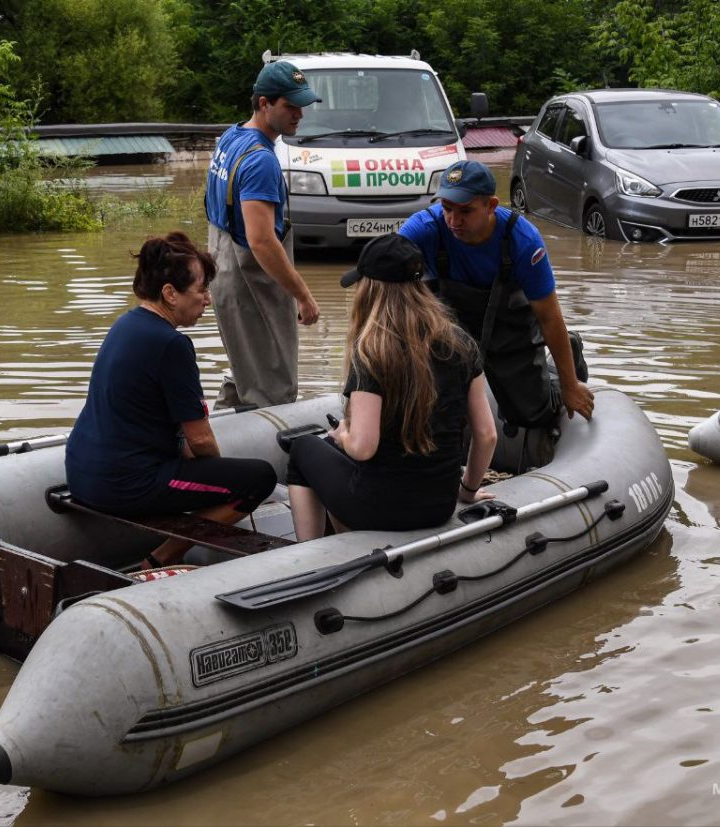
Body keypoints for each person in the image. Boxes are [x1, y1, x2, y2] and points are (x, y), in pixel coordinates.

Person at [64, 232, 278, 569]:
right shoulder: (172, 345)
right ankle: (158, 559)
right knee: (258, 478)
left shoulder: (127, 324)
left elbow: (160, 419)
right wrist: (219, 477)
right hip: (123, 484)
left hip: (81, 472)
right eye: (201, 291)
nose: (207, 299)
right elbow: (202, 438)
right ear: (170, 294)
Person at [285, 234, 498, 542]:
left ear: (370, 289)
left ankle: (309, 555)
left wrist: (343, 434)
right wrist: (467, 491)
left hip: (378, 509)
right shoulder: (460, 343)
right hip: (439, 506)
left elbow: (362, 447)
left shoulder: (371, 352)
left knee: (303, 449)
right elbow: (487, 435)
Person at [398, 159, 594, 432]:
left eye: (465, 211)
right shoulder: (423, 228)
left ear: (491, 206)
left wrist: (570, 385)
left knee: (532, 416)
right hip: (449, 325)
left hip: (508, 328)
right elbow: (380, 272)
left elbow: (548, 316)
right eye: (447, 209)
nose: (454, 220)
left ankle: (565, 358)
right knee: (439, 404)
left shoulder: (523, 241)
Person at [205, 60, 322, 409]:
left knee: (246, 367)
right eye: (289, 106)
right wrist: (303, 295)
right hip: (250, 281)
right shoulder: (261, 161)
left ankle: (217, 438)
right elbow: (261, 241)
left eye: (302, 105)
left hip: (222, 269)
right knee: (273, 381)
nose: (298, 114)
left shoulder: (232, 135)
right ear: (263, 103)